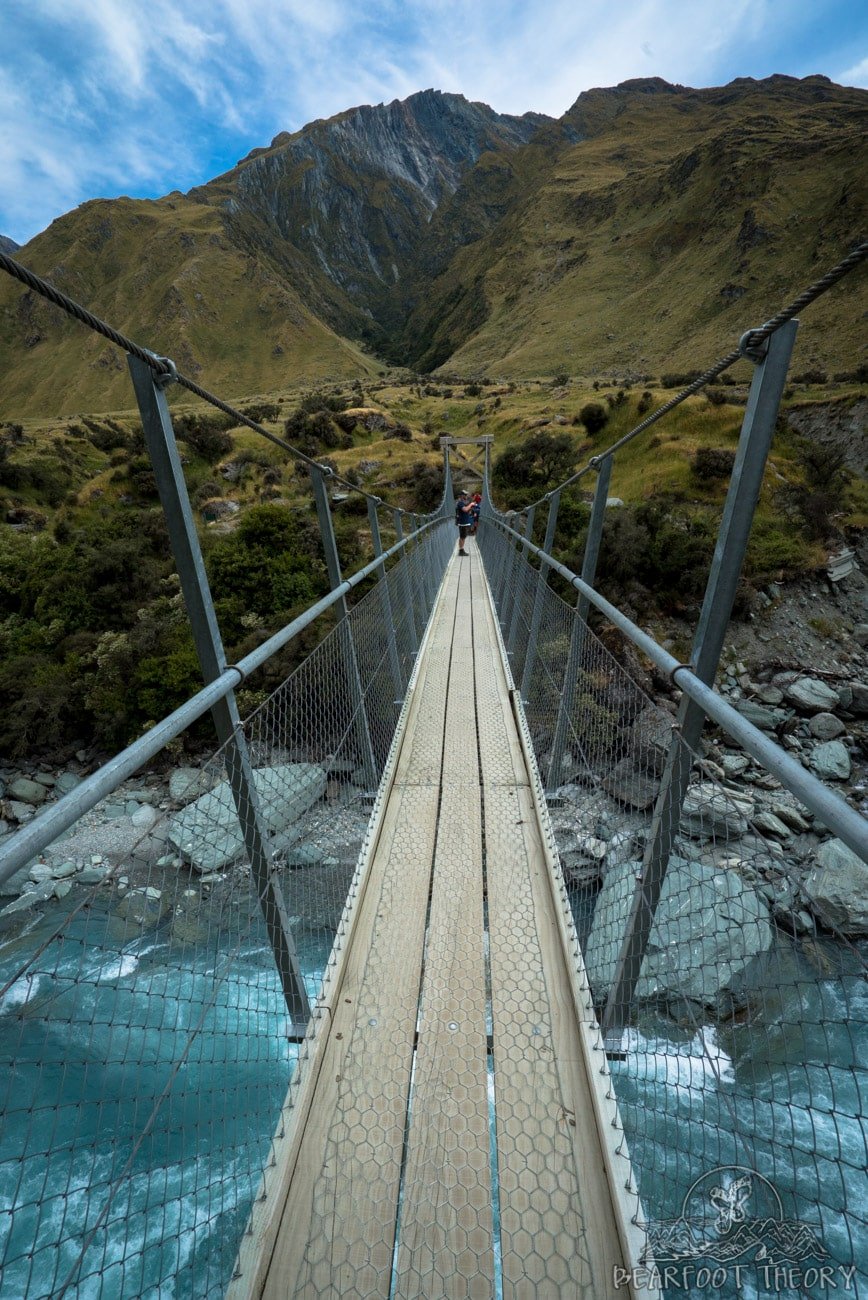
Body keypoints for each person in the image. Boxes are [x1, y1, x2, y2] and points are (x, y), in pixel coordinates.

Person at [455, 490, 473, 555]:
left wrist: (470, 508)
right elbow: (465, 509)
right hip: (463, 523)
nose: (466, 496)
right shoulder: (460, 502)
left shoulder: (462, 502)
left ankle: (461, 550)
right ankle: (461, 551)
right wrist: (471, 504)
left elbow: (466, 510)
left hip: (464, 522)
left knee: (463, 537)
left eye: (466, 495)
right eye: (465, 495)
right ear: (462, 496)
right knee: (462, 537)